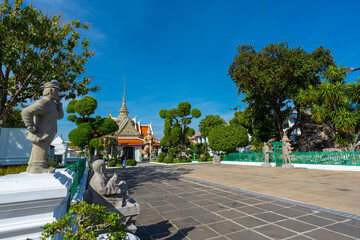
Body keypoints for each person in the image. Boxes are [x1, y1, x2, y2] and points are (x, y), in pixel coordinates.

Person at [21, 81, 64, 173]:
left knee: (42, 149)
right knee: (41, 148)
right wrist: (30, 126)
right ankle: (37, 167)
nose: (57, 94)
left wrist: (59, 106)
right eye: (56, 92)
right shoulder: (45, 102)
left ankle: (35, 165)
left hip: (48, 132)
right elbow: (26, 111)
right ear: (51, 91)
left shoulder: (52, 104)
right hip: (43, 132)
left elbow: (59, 116)